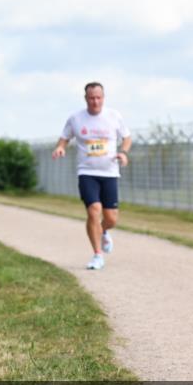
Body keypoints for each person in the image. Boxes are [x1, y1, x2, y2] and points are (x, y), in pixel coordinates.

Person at [52, 82, 131, 269]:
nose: (95, 101)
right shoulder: (76, 118)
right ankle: (97, 255)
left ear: (103, 98)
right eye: (91, 98)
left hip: (110, 172)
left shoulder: (114, 116)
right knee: (93, 210)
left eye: (98, 97)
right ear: (85, 98)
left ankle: (102, 231)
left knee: (111, 218)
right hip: (87, 172)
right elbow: (64, 138)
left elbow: (126, 137)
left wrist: (124, 153)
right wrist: (60, 148)